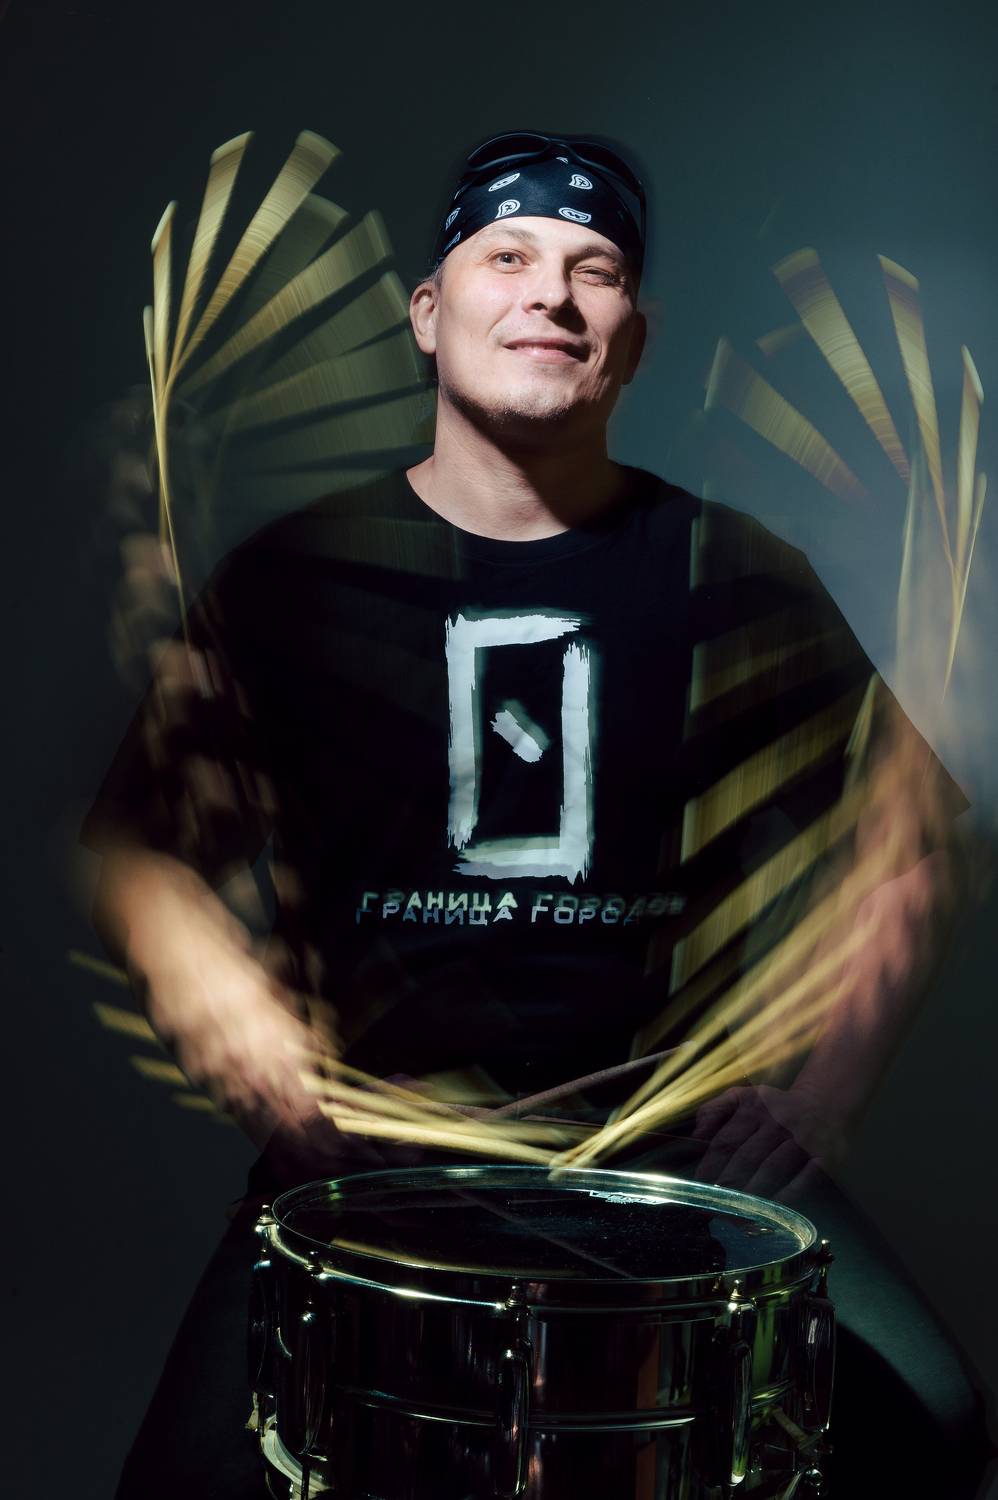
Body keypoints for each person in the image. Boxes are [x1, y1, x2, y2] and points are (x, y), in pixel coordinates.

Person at [83, 129, 995, 1497]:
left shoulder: (736, 573)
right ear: (427, 314)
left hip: (658, 1154)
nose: (551, 294)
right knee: (192, 1481)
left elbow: (914, 839)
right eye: (505, 256)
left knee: (935, 1423)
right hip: (372, 1156)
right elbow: (137, 851)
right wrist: (241, 1020)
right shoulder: (296, 578)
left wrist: (824, 1089)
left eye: (595, 270)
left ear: (632, 341)